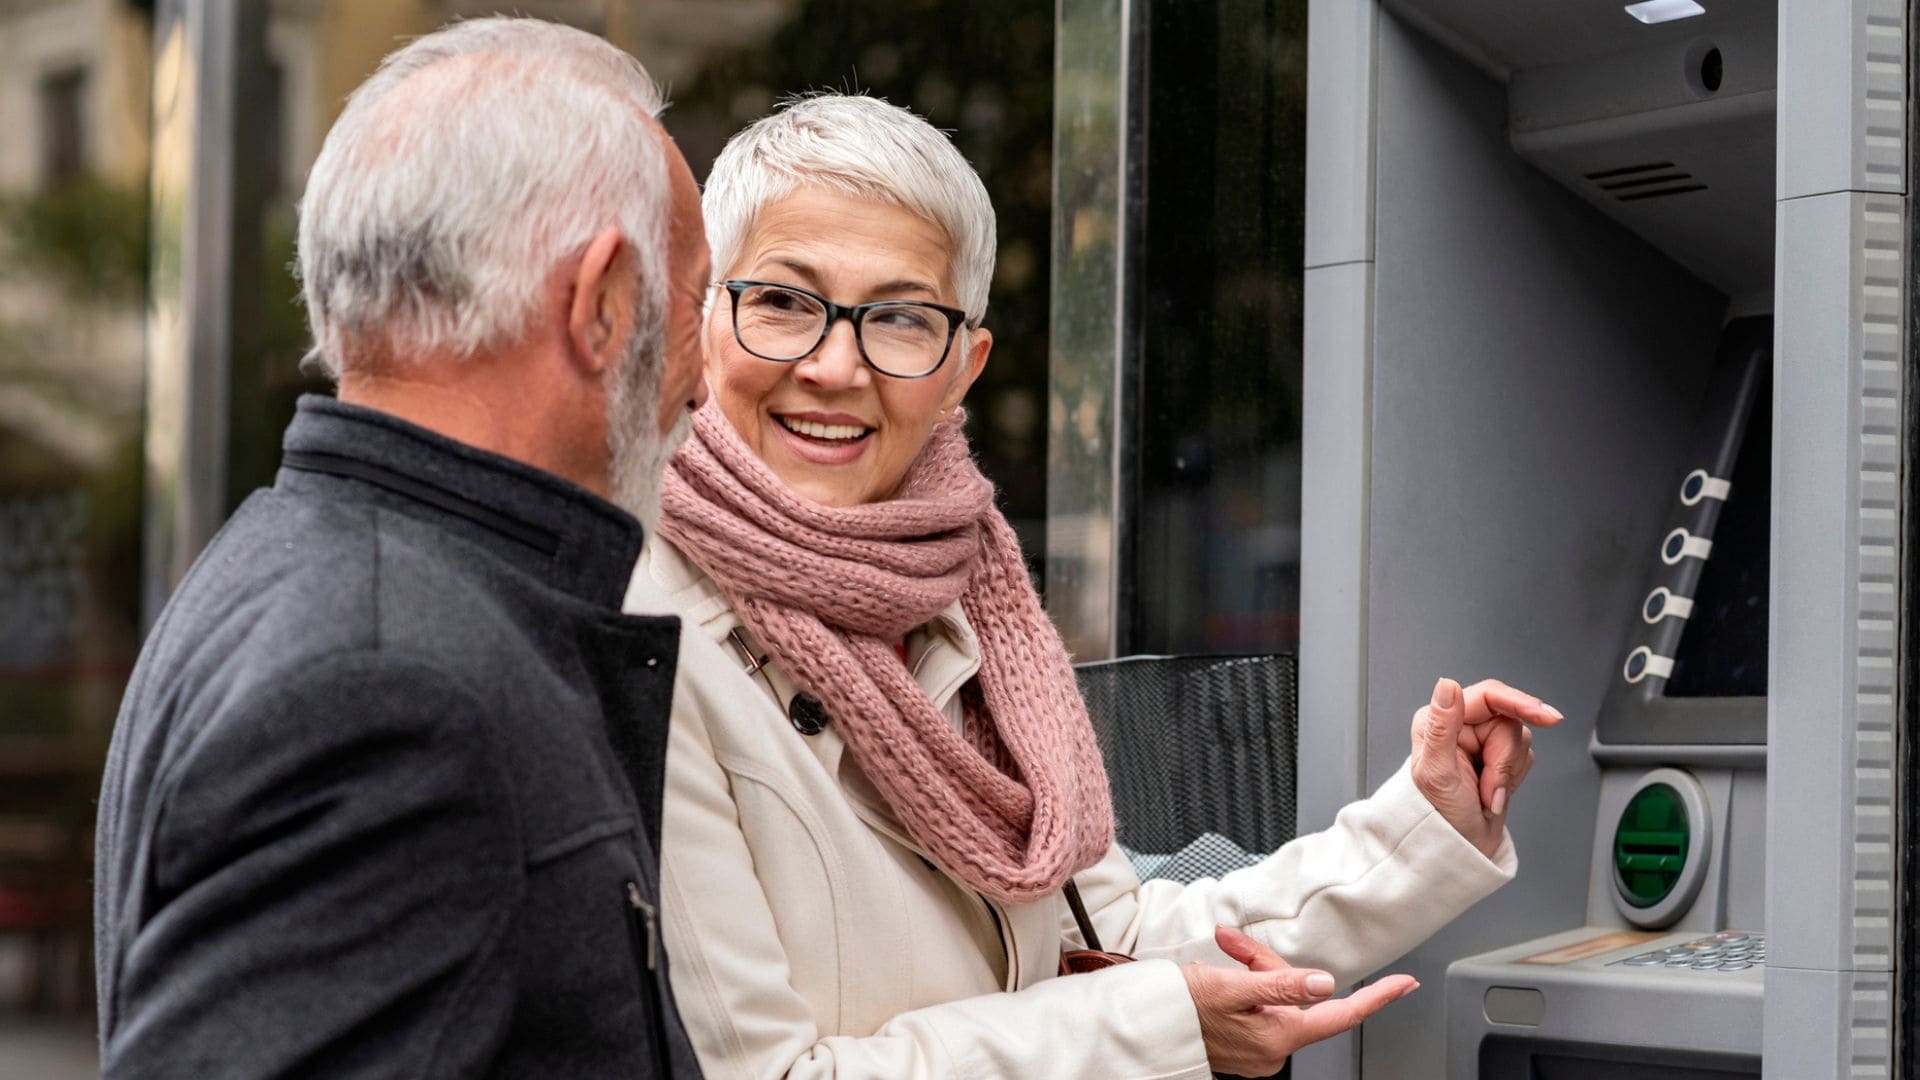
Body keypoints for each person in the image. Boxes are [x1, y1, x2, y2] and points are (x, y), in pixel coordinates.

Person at [625, 93, 1563, 1080]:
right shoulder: (646, 630)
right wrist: (1161, 1028)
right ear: (703, 320)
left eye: (900, 319)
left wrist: (1423, 825)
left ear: (962, 368)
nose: (834, 365)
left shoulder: (969, 607)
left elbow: (1110, 937)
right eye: (784, 302)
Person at [93, 19, 710, 1076]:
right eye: (698, 301)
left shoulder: (319, 579)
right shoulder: (393, 685)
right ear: (601, 304)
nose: (702, 383)